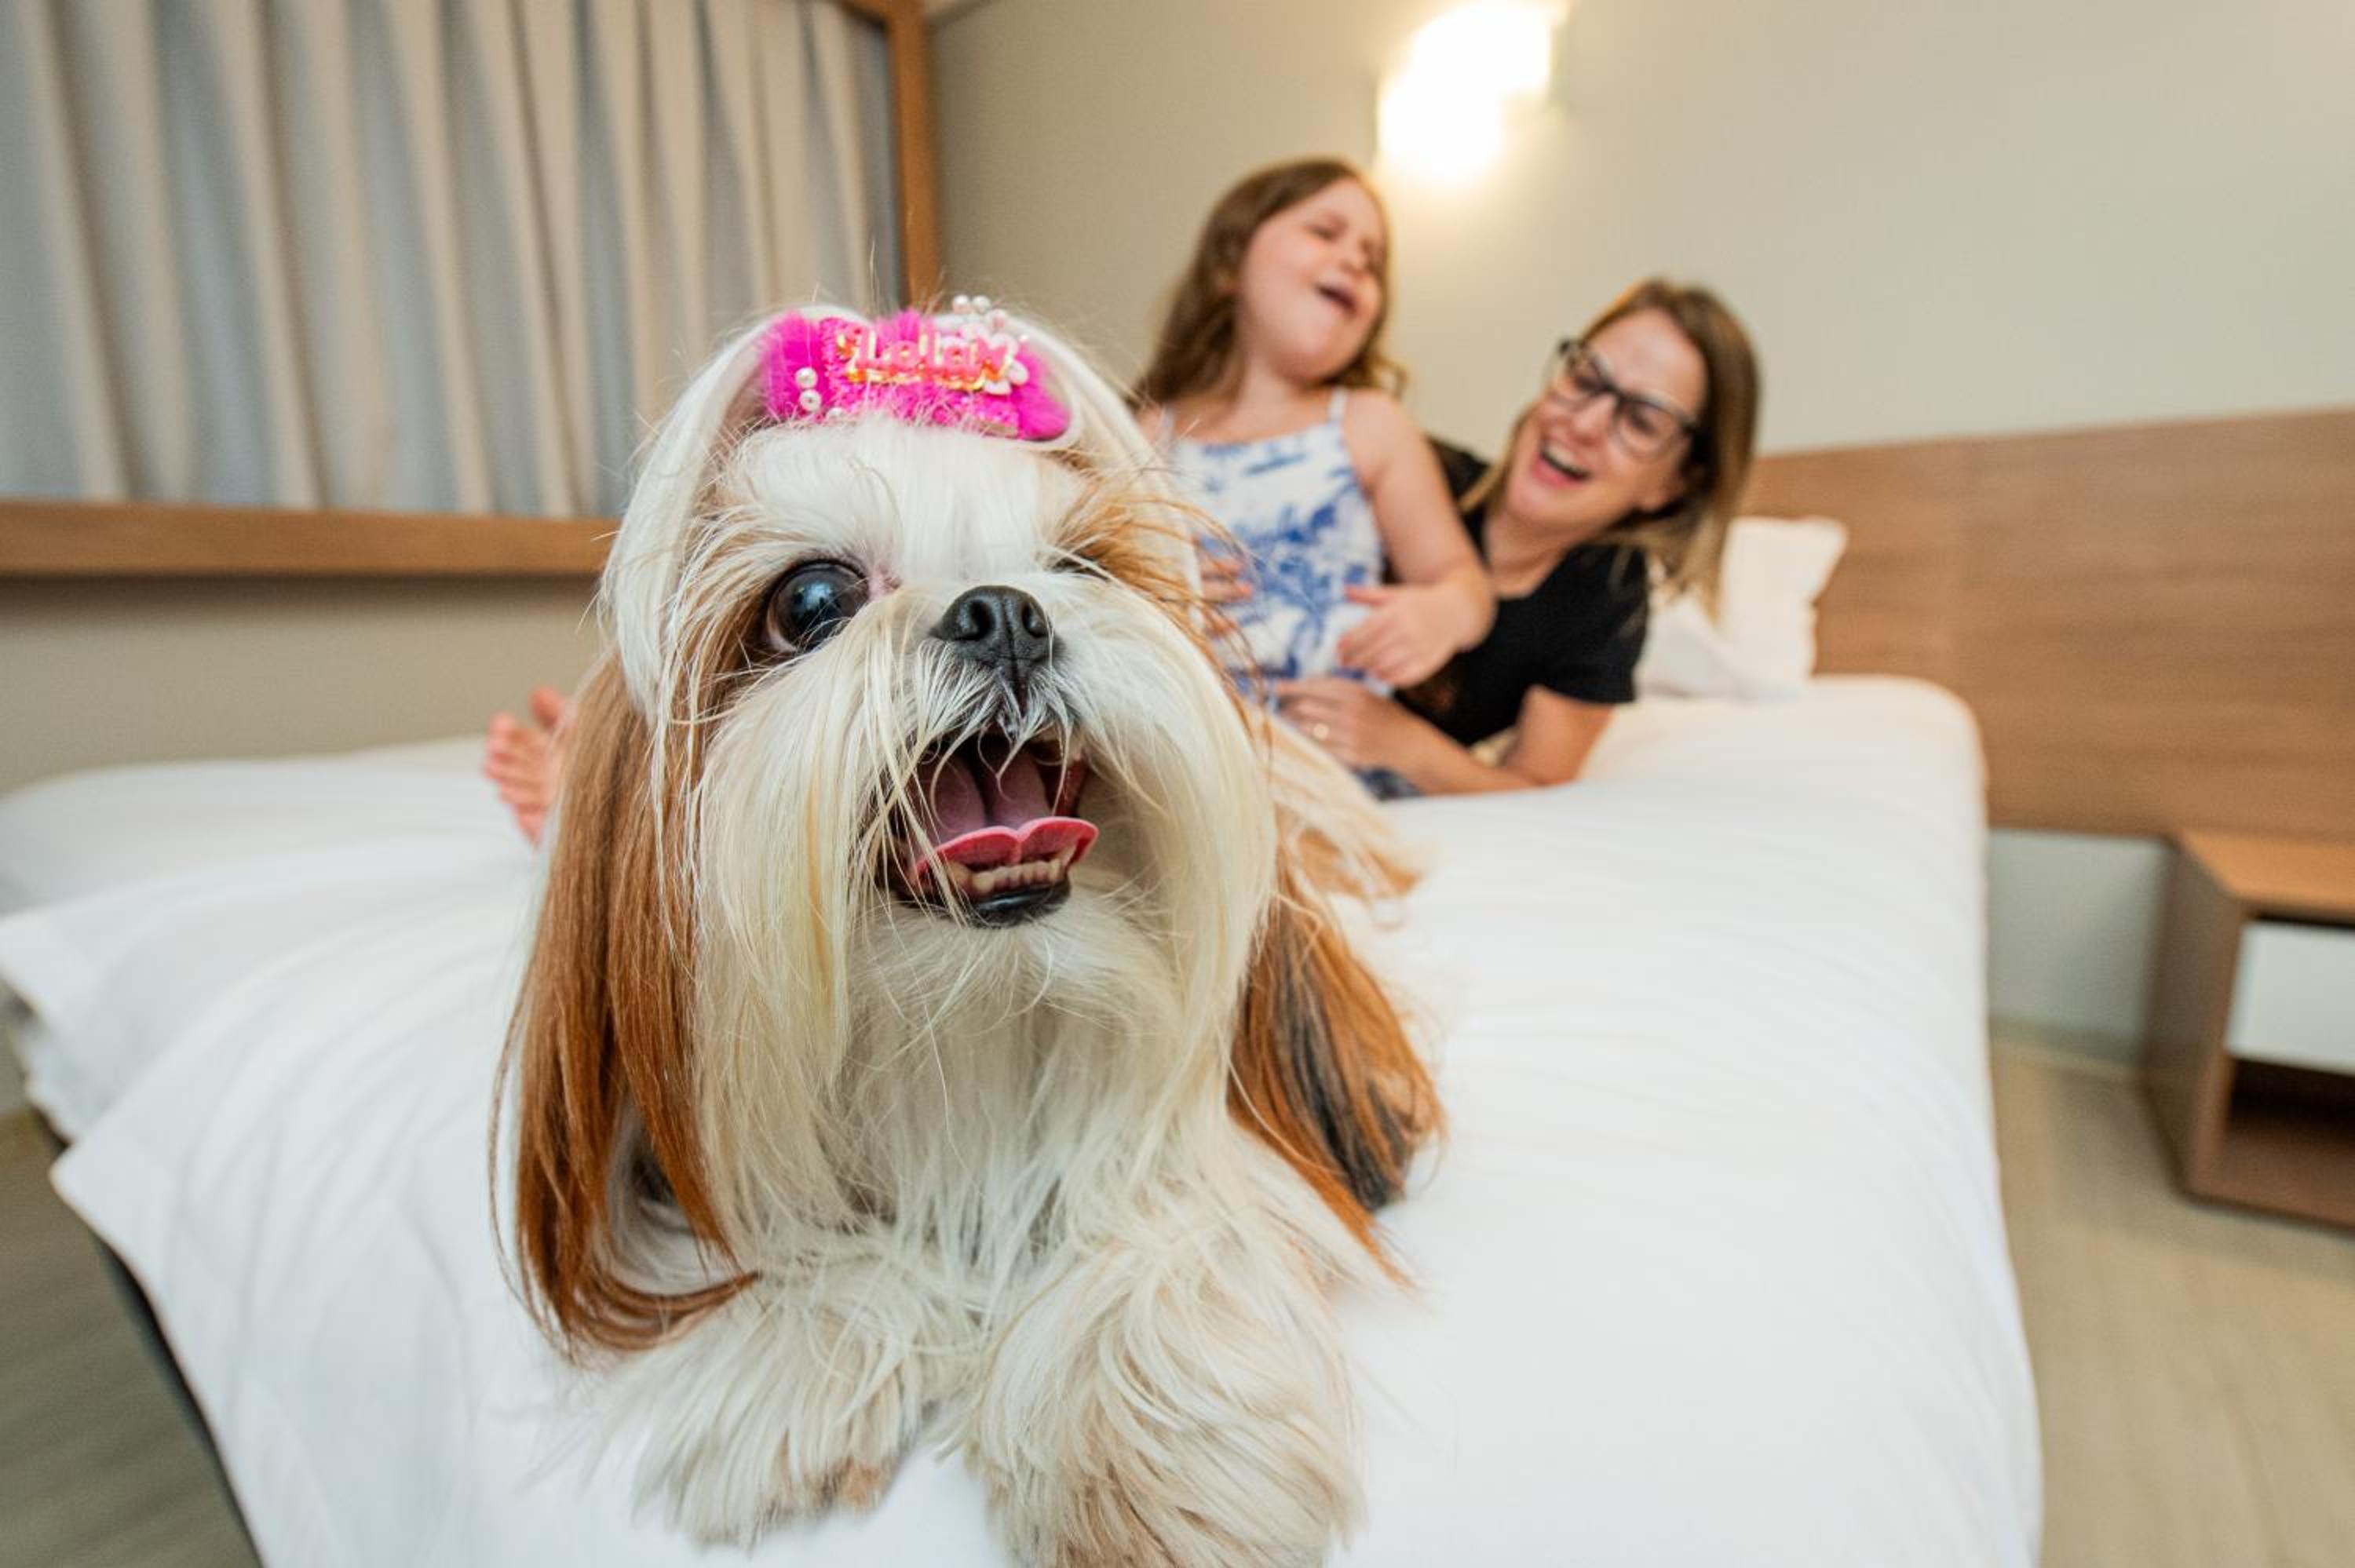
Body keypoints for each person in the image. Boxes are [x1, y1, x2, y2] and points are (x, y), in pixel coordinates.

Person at [1272, 278, 1759, 793]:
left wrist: (1402, 744)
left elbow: (1534, 782)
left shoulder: (1608, 596)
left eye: (1640, 422)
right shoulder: (1411, 470)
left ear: (1673, 484)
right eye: (1585, 378)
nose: (1584, 424)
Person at [1134, 157, 1492, 704]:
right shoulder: (1151, 433)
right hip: (1187, 728)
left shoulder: (1369, 424)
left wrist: (1443, 613)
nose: (1353, 260)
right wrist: (1152, 588)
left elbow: (1463, 580)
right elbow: (1091, 583)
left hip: (1328, 737)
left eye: (1373, 262)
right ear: (1230, 264)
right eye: (1325, 232)